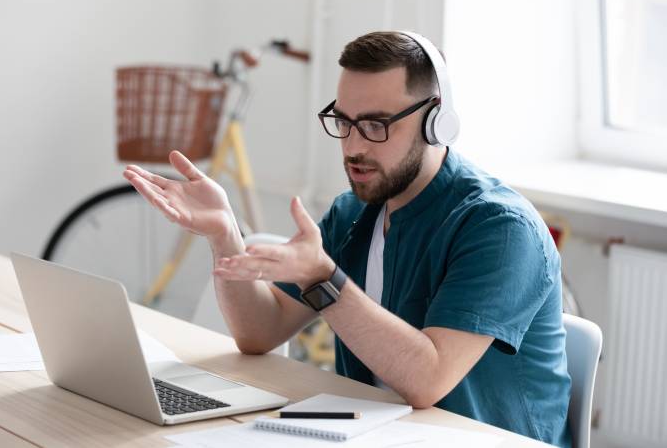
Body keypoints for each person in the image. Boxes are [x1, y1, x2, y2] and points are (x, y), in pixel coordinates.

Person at [123, 31, 572, 447]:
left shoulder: (499, 228)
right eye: (344, 121)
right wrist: (224, 234)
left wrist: (324, 278)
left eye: (376, 125)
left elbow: (427, 381)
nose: (354, 146)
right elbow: (260, 332)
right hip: (371, 433)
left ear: (437, 121)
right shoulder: (355, 211)